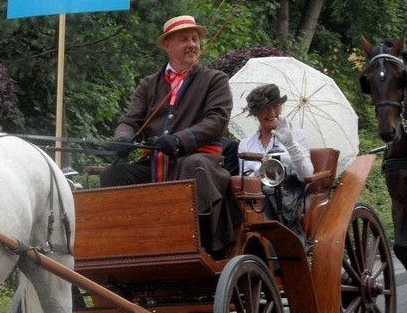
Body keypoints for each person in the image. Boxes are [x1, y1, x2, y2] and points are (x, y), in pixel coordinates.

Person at [100, 14, 239, 254]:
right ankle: (131, 244)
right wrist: (123, 138)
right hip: (156, 164)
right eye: (184, 39)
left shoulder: (214, 80)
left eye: (195, 39)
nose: (192, 45)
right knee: (113, 175)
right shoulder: (148, 84)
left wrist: (179, 140)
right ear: (168, 45)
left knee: (193, 167)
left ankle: (199, 245)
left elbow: (216, 121)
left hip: (200, 160)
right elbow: (129, 120)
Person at [238, 83, 314, 236]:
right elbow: (243, 181)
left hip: (287, 196)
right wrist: (258, 173)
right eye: (265, 108)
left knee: (266, 197)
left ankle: (273, 240)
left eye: (276, 106)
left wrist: (291, 144)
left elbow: (306, 174)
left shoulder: (296, 135)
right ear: (255, 114)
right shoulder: (246, 144)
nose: (271, 112)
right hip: (254, 196)